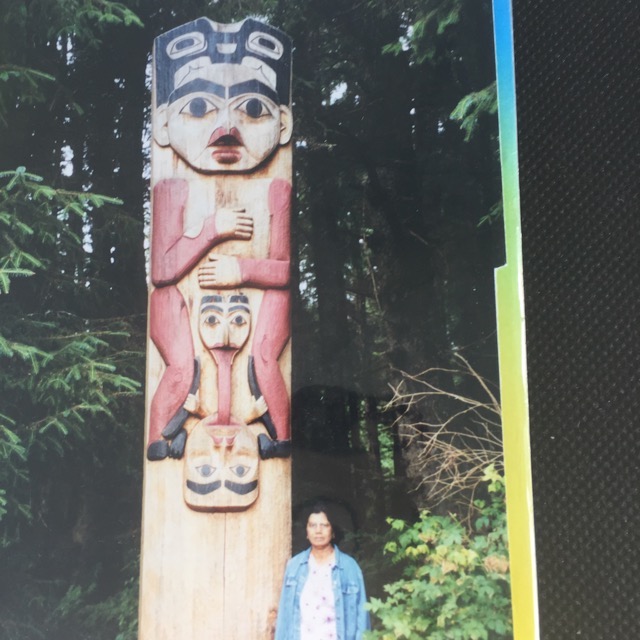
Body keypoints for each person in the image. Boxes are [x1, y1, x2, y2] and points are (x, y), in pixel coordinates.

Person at [275, 504, 370, 640]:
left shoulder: (349, 567)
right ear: (306, 532)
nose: (318, 531)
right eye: (312, 525)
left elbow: (362, 619)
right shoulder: (294, 566)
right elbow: (284, 618)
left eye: (324, 525)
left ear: (333, 531)